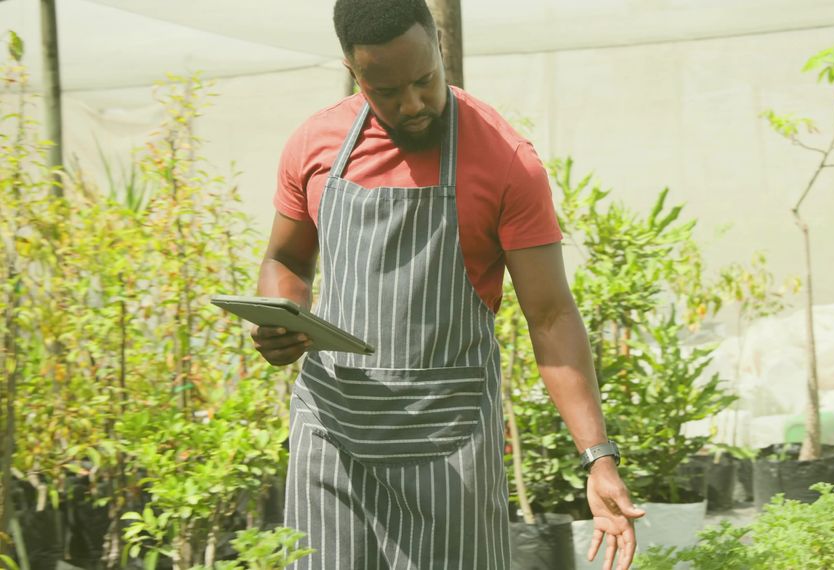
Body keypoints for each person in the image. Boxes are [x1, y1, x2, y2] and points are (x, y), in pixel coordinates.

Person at [251, 0, 644, 568]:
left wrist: (598, 458)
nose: (412, 104)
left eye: (425, 80)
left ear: (438, 47)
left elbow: (551, 315)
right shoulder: (316, 144)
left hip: (447, 445)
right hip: (333, 438)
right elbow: (286, 259)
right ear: (353, 72)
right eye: (387, 91)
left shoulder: (505, 161)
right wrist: (282, 316)